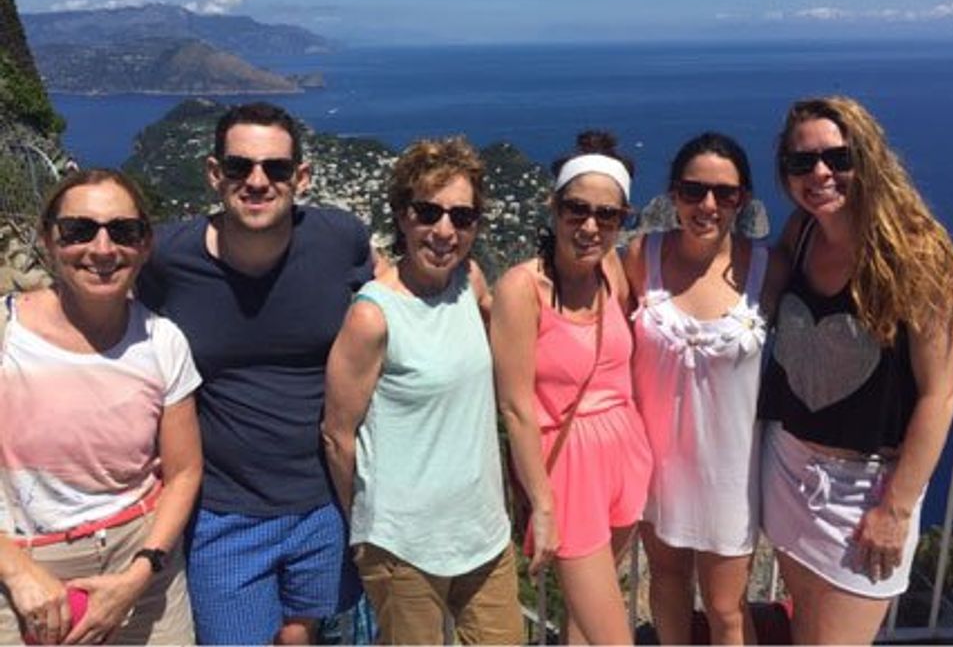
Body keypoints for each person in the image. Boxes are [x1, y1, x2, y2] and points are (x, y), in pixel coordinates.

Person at [137, 102, 374, 645]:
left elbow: (394, 302)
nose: (258, 181)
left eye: (277, 168)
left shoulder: (340, 240)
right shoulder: (169, 259)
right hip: (224, 514)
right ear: (214, 173)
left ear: (302, 177)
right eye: (240, 166)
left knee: (308, 636)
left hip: (329, 506)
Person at [758, 96, 953, 644]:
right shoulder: (801, 233)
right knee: (804, 625)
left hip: (865, 493)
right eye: (801, 163)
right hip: (788, 471)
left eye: (838, 156)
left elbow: (939, 396)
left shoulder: (916, 254)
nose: (820, 174)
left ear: (869, 158)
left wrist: (896, 510)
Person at [322, 136, 522, 645]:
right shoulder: (373, 315)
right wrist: (367, 527)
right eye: (428, 212)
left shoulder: (470, 281)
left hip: (483, 532)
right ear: (402, 215)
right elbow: (337, 437)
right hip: (403, 544)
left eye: (462, 217)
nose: (444, 230)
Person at [0, 169, 202, 645]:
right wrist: (18, 571)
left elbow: (185, 471)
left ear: (145, 245)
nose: (103, 249)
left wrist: (140, 573)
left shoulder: (162, 341)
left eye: (124, 231)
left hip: (141, 562)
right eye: (79, 230)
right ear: (48, 240)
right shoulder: (8, 335)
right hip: (20, 571)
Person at [492, 130, 652, 645]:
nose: (590, 226)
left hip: (626, 458)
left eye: (607, 216)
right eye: (576, 210)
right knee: (613, 637)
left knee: (584, 627)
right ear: (554, 206)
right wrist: (540, 502)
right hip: (569, 474)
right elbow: (515, 407)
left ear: (622, 219)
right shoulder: (522, 288)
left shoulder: (613, 270)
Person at [625, 132, 771, 644]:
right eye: (693, 191)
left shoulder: (768, 269)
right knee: (666, 581)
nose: (707, 205)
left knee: (726, 607)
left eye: (724, 194)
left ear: (743, 200)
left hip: (730, 470)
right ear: (673, 194)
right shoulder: (643, 255)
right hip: (658, 462)